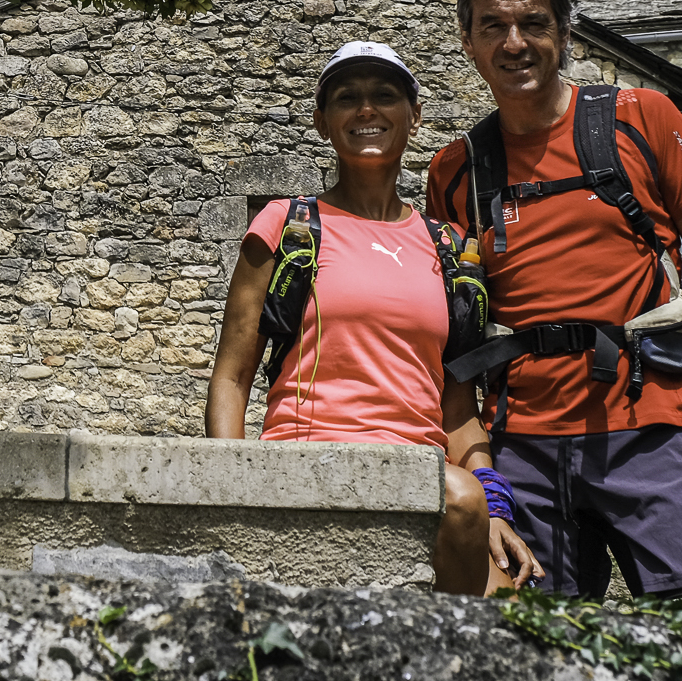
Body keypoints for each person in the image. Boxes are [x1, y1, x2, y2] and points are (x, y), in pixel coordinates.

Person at [426, 0, 682, 602]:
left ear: (565, 30)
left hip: (651, 431)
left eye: (533, 22)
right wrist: (479, 471)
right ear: (467, 39)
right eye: (492, 26)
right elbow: (454, 334)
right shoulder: (455, 171)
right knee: (540, 654)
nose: (514, 41)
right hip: (522, 449)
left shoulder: (642, 119)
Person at [207, 41, 542, 595]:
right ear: (322, 121)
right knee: (461, 504)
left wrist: (496, 508)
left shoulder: (448, 248)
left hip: (428, 482)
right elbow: (232, 374)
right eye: (347, 98)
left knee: (512, 604)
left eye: (384, 96)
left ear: (414, 114)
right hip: (308, 458)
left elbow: (457, 407)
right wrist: (229, 485)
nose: (366, 110)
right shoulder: (287, 225)